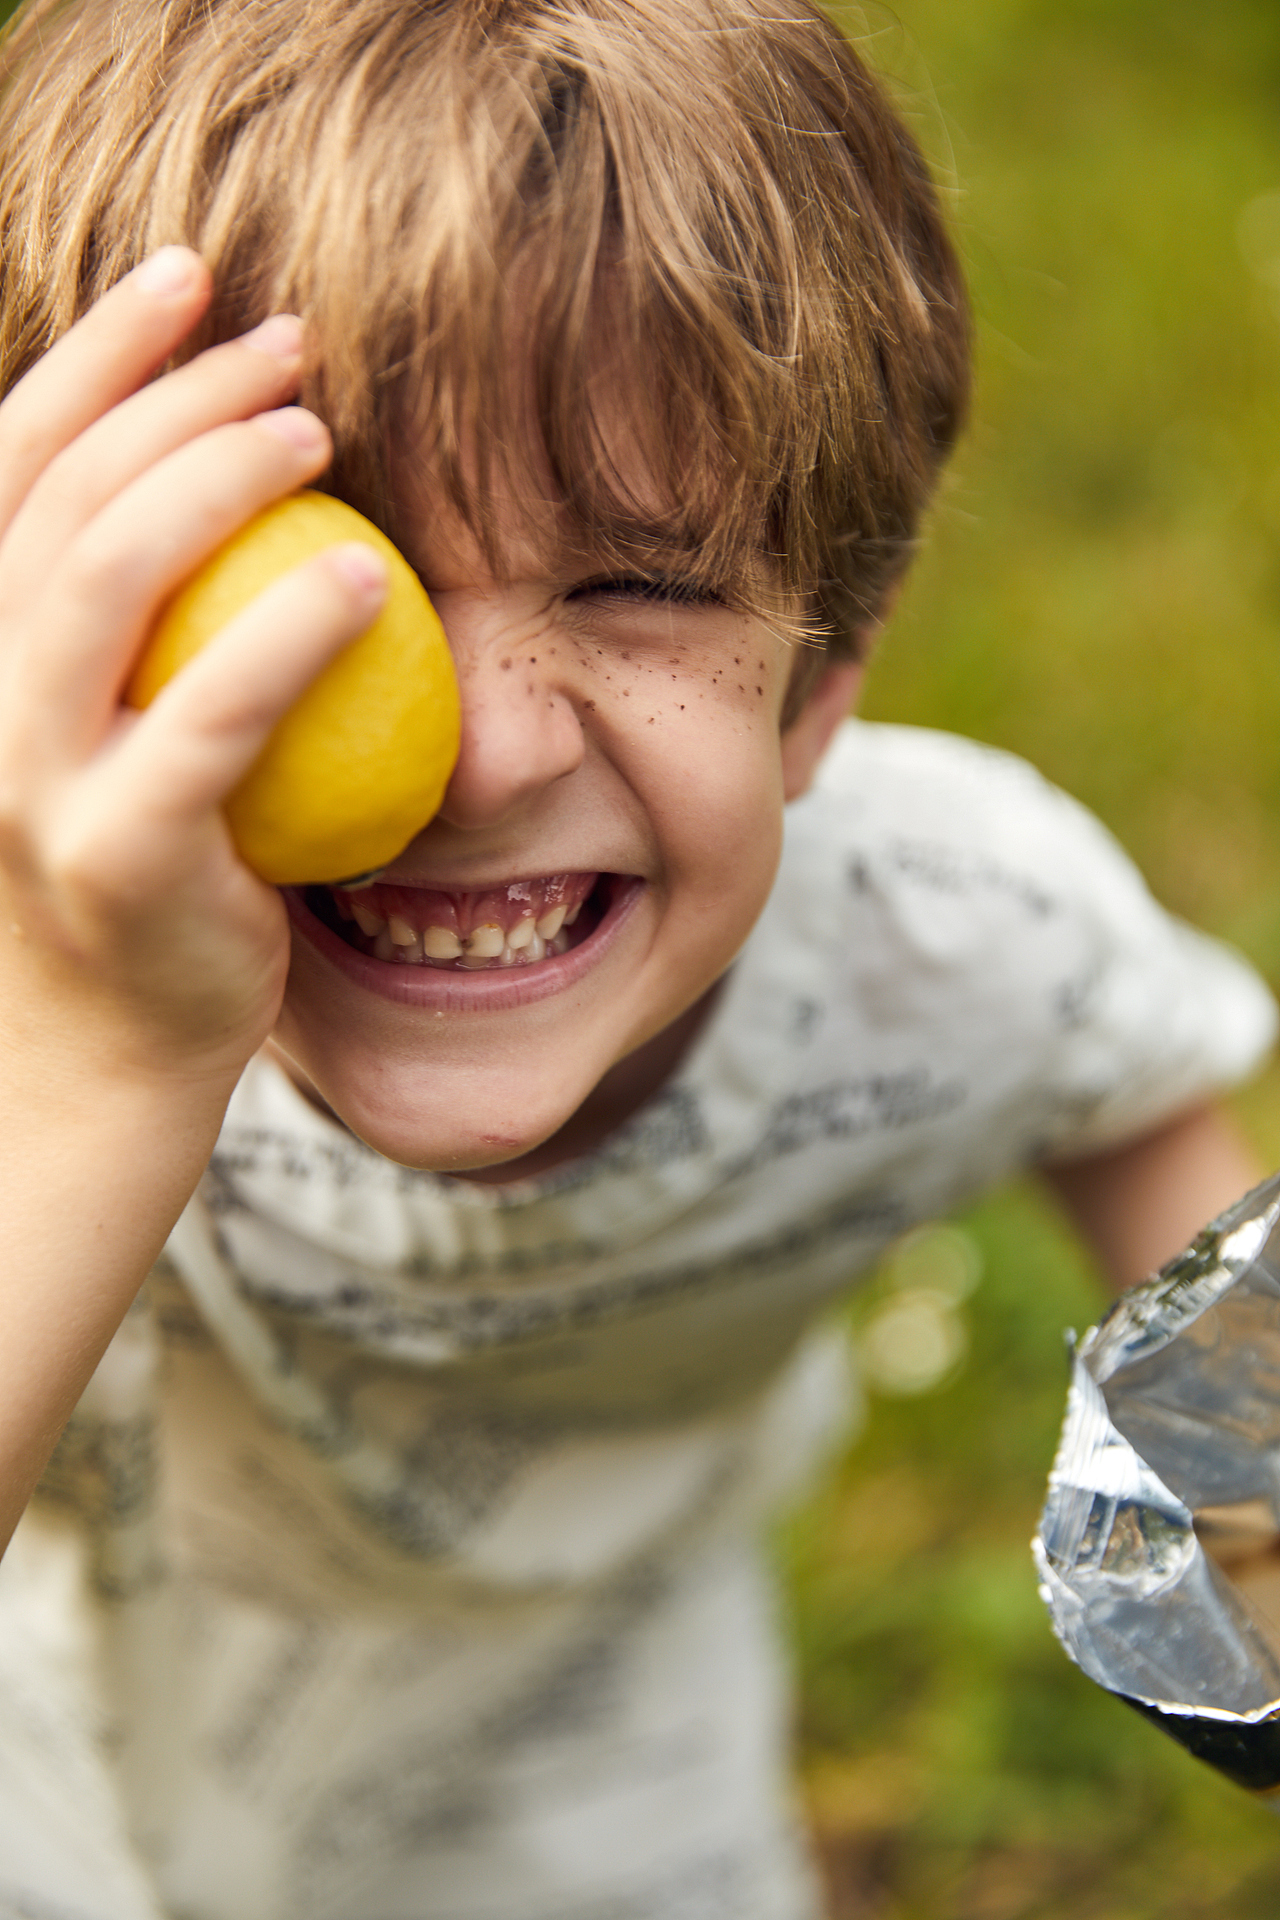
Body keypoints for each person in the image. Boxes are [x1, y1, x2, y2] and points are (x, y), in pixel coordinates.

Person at [0, 0, 1269, 1914]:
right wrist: (97, 1060)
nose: (486, 755)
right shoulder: (48, 989)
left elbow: (1165, 1166)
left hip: (620, 1783)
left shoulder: (952, 927)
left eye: (644, 582)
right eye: (317, 585)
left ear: (826, 670)